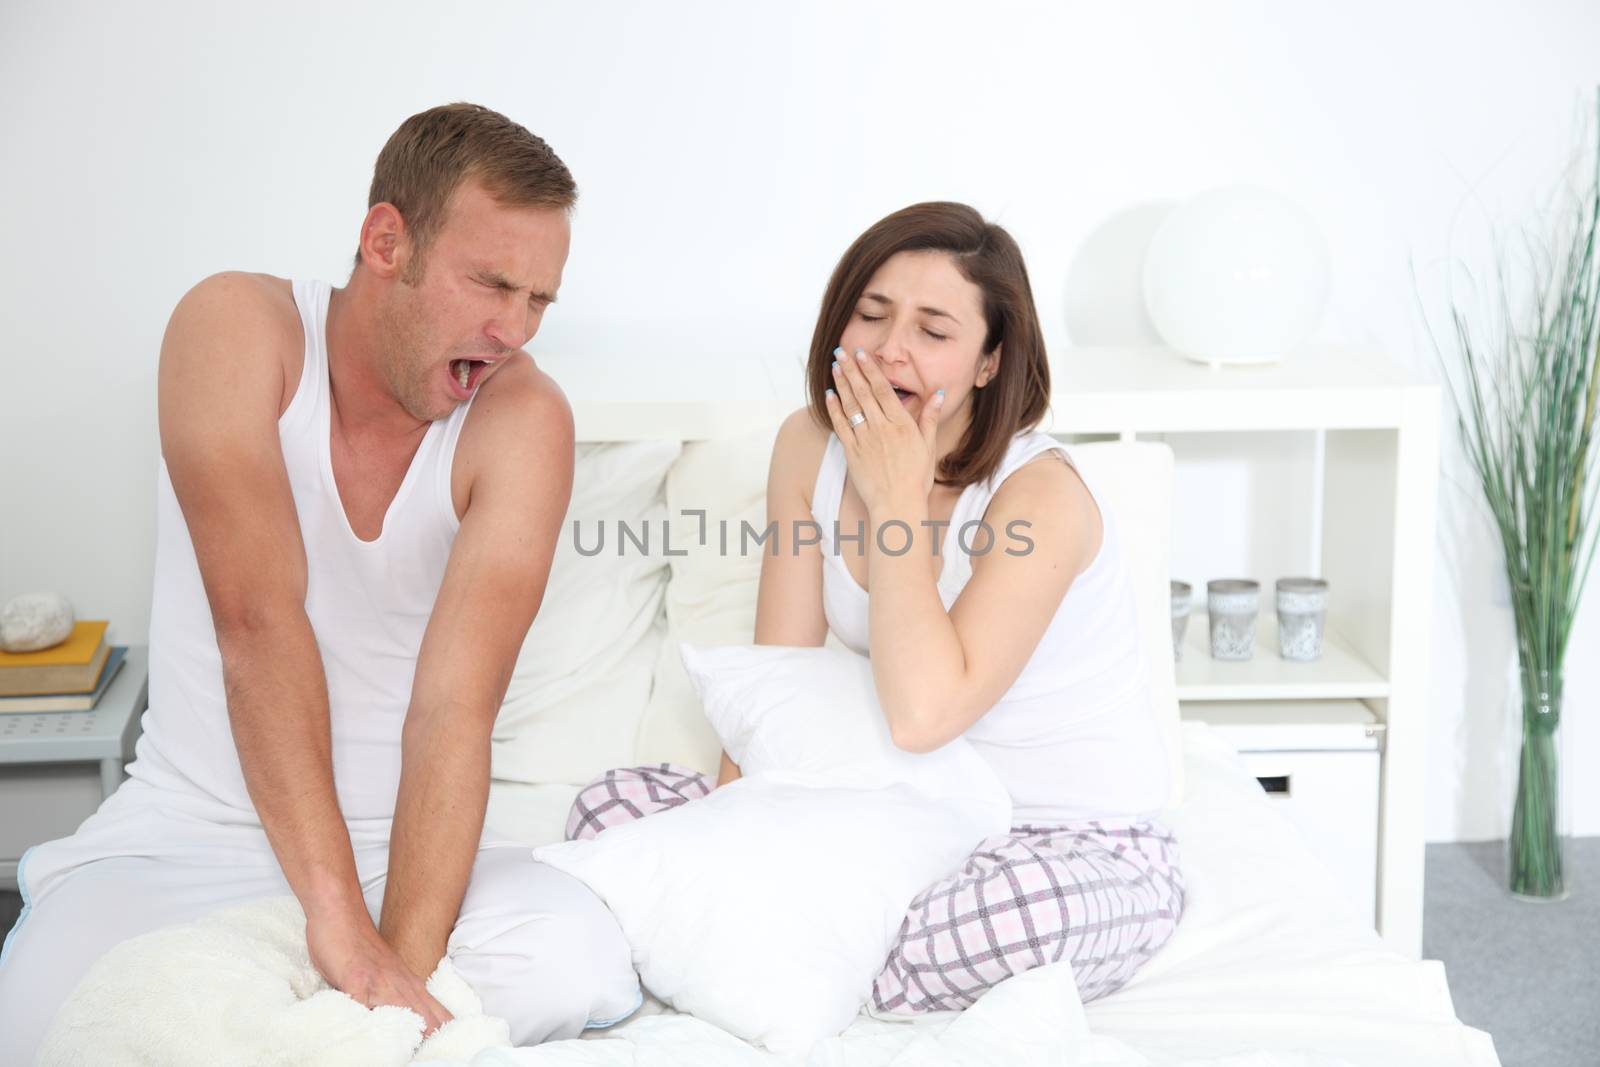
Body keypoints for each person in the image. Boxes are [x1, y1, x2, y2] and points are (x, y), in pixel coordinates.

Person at [0, 103, 642, 1062]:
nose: (514, 329)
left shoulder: (525, 418)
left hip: (417, 853)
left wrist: (393, 978)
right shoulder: (233, 326)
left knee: (578, 959)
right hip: (197, 832)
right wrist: (337, 925)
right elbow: (257, 624)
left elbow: (454, 709)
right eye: (492, 283)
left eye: (540, 299)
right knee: (36, 1012)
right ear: (387, 241)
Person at [566, 201, 1185, 1013]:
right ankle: (786, 951)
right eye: (871, 314)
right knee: (611, 811)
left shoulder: (1039, 497)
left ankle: (785, 966)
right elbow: (776, 681)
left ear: (989, 363)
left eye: (934, 330)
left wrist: (896, 500)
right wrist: (720, 837)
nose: (891, 348)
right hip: (893, 819)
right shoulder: (809, 445)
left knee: (993, 922)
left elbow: (923, 715)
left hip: (1064, 843)